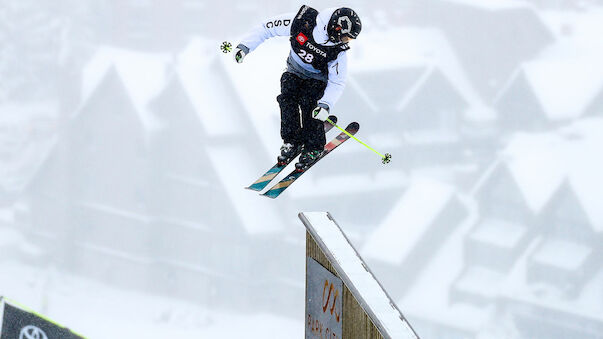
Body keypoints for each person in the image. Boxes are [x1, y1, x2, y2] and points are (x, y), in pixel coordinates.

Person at [233, 5, 362, 167]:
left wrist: (325, 104)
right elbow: (266, 28)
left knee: (310, 104)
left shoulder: (338, 51)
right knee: (287, 100)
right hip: (294, 71)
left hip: (317, 79)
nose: (346, 42)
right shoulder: (302, 22)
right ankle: (291, 141)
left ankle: (314, 146)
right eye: (346, 37)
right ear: (336, 28)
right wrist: (245, 47)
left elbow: (338, 81)